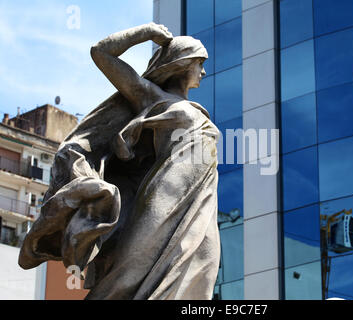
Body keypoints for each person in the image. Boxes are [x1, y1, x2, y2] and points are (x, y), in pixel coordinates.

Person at [18, 23, 221, 300]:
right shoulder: (153, 97)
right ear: (183, 62)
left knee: (205, 268)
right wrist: (146, 32)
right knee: (134, 266)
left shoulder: (195, 111)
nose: (204, 72)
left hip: (202, 200)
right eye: (200, 63)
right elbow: (101, 53)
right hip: (164, 194)